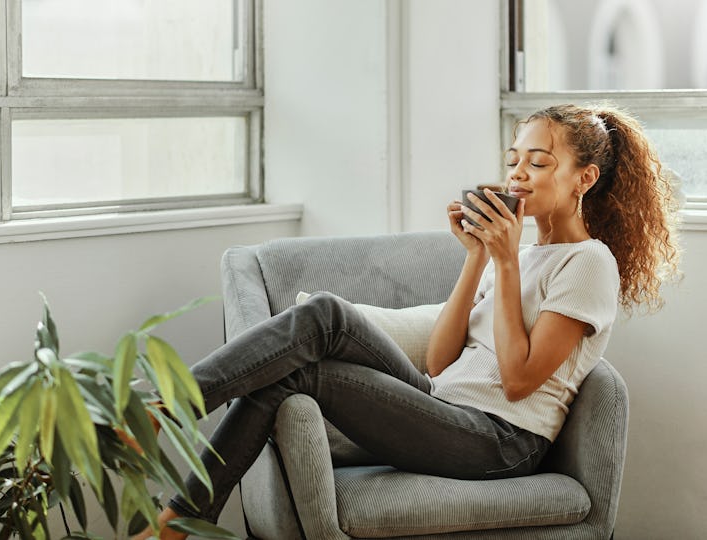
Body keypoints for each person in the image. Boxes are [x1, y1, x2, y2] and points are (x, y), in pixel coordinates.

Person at [133, 103, 680, 539]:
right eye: (514, 159)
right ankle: (165, 444)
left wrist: (508, 261)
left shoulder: (589, 264)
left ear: (583, 178)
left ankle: (167, 470)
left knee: (300, 373)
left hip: (499, 441)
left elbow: (518, 380)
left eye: (538, 163)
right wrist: (476, 258)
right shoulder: (513, 252)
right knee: (325, 314)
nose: (517, 174)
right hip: (442, 403)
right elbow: (441, 361)